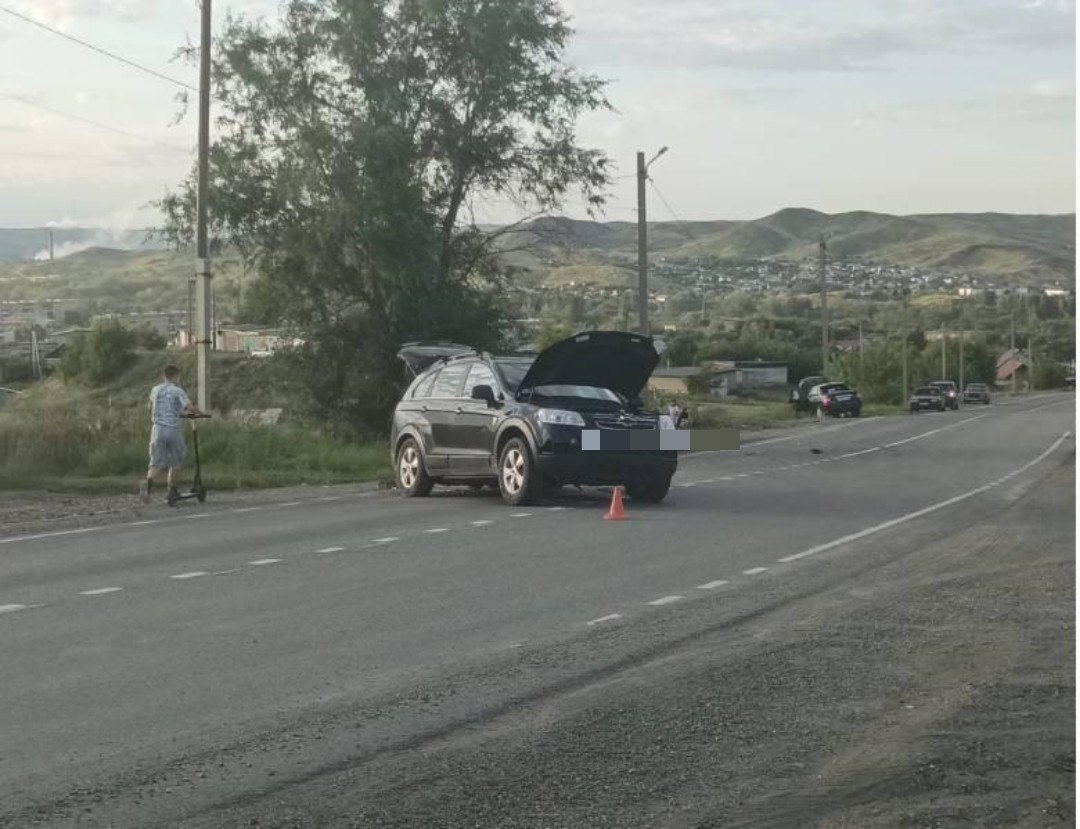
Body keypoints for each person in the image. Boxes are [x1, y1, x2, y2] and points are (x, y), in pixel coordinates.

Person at [139, 364, 199, 503]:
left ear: (164, 376)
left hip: (157, 430)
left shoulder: (155, 390)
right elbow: (189, 407)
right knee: (175, 460)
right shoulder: (177, 391)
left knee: (156, 463)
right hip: (173, 429)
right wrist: (197, 411)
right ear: (176, 376)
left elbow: (152, 405)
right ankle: (172, 490)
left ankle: (146, 487)